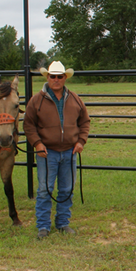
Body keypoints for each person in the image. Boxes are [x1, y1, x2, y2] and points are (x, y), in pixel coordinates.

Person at [24, 61, 90, 239]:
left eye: (59, 76)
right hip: (47, 152)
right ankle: (43, 226)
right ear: (47, 77)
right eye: (52, 76)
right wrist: (37, 144)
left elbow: (84, 122)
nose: (56, 79)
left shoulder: (75, 99)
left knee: (67, 189)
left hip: (70, 151)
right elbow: (28, 125)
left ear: (64, 78)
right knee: (45, 189)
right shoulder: (36, 100)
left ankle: (62, 223)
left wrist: (81, 141)